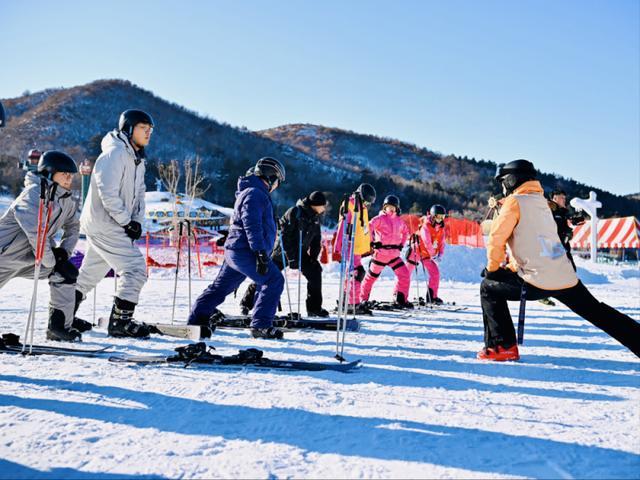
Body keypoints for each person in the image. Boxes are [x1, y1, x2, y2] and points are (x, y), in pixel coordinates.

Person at [478, 159, 640, 361]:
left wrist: (493, 269)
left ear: (511, 180)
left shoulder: (514, 202)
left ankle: (502, 346)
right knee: (597, 312)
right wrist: (512, 267)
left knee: (488, 287)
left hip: (536, 280)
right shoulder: (543, 203)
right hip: (565, 277)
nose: (502, 187)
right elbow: (536, 244)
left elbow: (496, 238)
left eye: (503, 182)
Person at [75, 110, 154, 338]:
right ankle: (120, 322)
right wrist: (126, 222)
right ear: (128, 129)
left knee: (90, 274)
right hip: (106, 224)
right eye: (143, 128)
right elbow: (107, 192)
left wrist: (136, 222)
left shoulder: (137, 160)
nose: (148, 132)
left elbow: (140, 195)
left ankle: (61, 316)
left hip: (110, 224)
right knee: (135, 269)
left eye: (150, 129)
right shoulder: (114, 154)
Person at [188, 157, 286, 339]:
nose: (276, 186)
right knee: (274, 280)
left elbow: (243, 222)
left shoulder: (251, 191)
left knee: (220, 288)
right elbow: (251, 223)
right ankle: (261, 325)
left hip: (238, 250)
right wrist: (259, 252)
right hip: (247, 251)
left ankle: (197, 319)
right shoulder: (256, 193)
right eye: (277, 181)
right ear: (272, 176)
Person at [0, 151, 91, 341]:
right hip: (4, 256)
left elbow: (73, 226)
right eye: (64, 174)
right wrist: (50, 260)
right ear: (49, 173)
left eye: (71, 174)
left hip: (31, 259)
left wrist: (63, 253)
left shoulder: (65, 199)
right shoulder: (33, 194)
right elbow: (36, 232)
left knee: (65, 272)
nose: (69, 178)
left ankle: (58, 327)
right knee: (54, 266)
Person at [240, 191, 329, 317]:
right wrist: (291, 257)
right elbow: (285, 236)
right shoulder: (295, 212)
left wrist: (313, 258)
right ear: (315, 204)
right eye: (322, 205)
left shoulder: (315, 218)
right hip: (282, 251)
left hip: (300, 252)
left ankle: (314, 308)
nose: (324, 208)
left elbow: (316, 240)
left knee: (315, 271)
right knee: (266, 274)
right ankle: (246, 303)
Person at [360, 195, 413, 308]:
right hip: (380, 255)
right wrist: (372, 242)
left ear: (397, 208)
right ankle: (362, 299)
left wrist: (401, 245)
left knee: (404, 274)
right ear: (384, 207)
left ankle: (401, 299)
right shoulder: (380, 219)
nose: (391, 209)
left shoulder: (399, 221)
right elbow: (368, 227)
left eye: (393, 207)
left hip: (394, 256)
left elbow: (406, 232)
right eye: (389, 207)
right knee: (371, 277)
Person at [333, 183, 376, 315]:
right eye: (366, 202)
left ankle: (346, 300)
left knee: (352, 273)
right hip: (349, 245)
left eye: (369, 203)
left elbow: (364, 228)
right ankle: (352, 303)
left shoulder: (361, 207)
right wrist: (338, 247)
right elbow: (342, 225)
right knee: (356, 273)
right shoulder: (350, 205)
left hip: (356, 247)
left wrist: (370, 243)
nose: (367, 205)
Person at [406, 204, 447, 304]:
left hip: (427, 254)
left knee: (435, 273)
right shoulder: (426, 226)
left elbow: (442, 242)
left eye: (442, 217)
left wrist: (440, 254)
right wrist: (433, 255)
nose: (440, 219)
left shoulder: (441, 228)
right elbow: (427, 242)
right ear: (433, 216)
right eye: (438, 217)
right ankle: (399, 294)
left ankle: (432, 296)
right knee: (406, 273)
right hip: (416, 251)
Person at [548, 188, 585, 270]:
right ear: (555, 198)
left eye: (565, 198)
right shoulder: (548, 210)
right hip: (554, 249)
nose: (564, 200)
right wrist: (564, 233)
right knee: (565, 272)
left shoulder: (562, 212)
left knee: (571, 271)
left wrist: (573, 220)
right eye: (562, 198)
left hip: (563, 248)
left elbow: (562, 224)